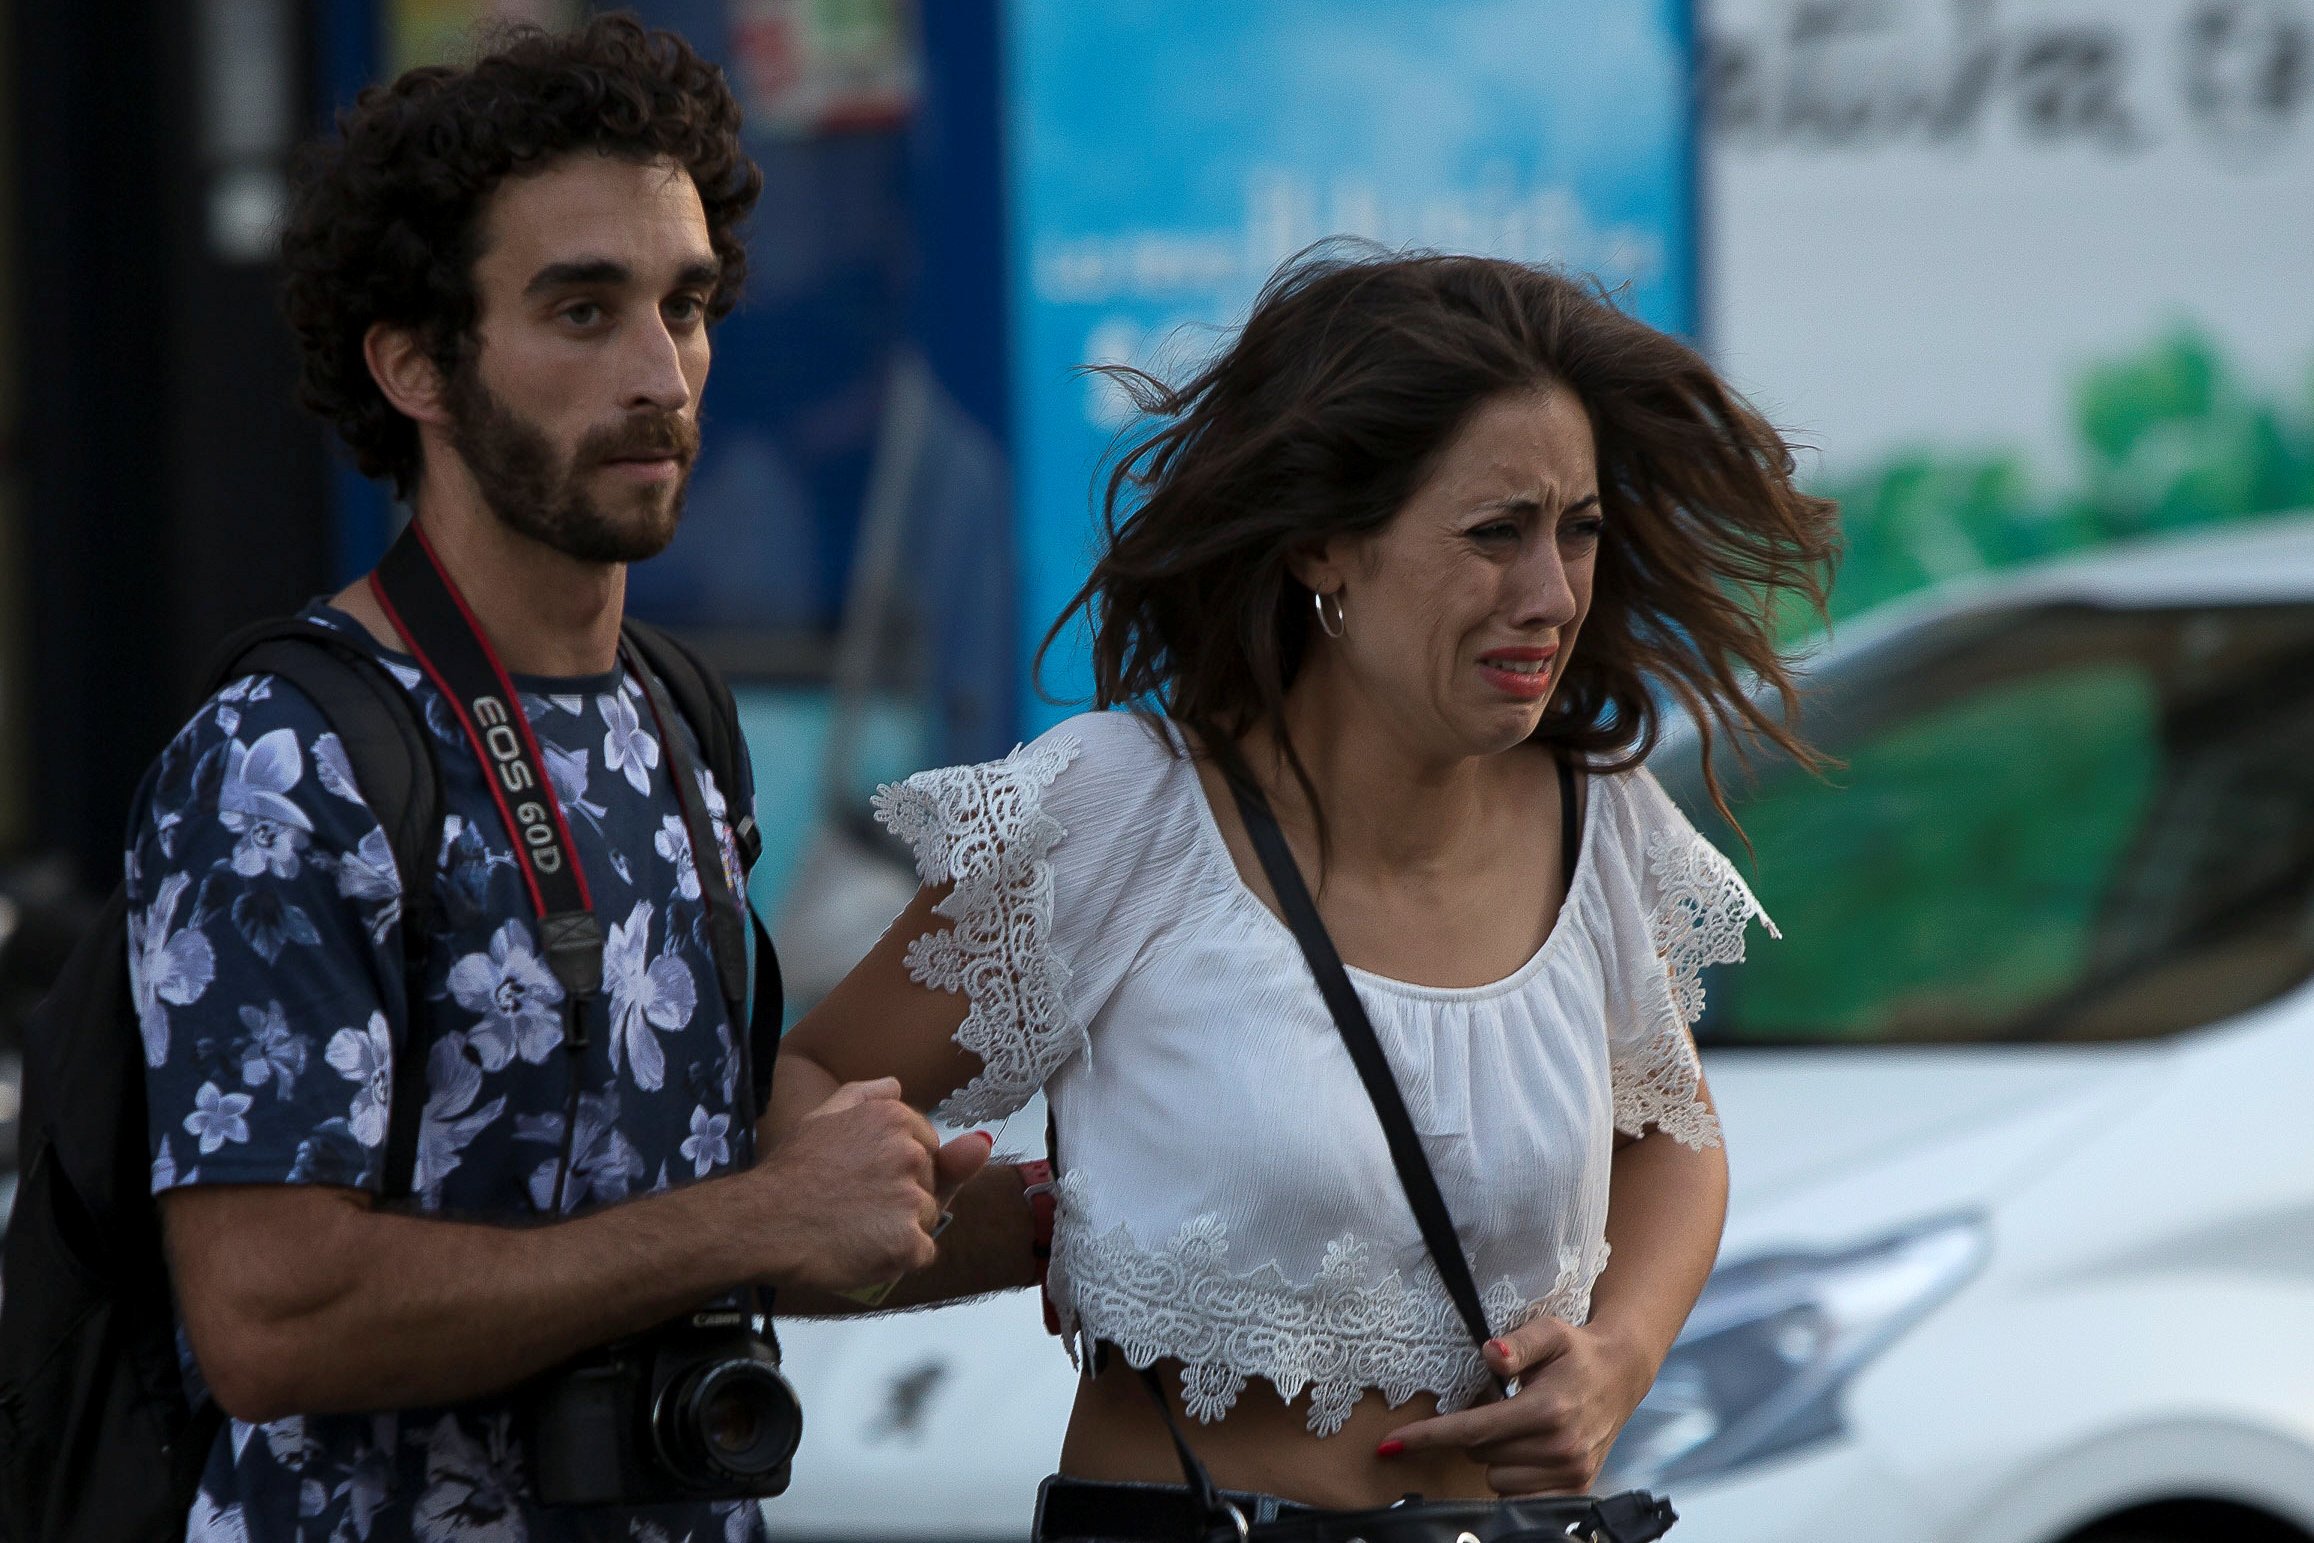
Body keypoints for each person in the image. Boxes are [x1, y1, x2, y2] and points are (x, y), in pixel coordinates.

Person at [128, 18, 1035, 1541]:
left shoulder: (673, 715)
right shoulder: (280, 760)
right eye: (580, 309)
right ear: (413, 361)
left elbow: (694, 1212)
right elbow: (270, 1317)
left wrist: (1097, 1225)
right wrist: (750, 1215)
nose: (659, 372)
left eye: (685, 306)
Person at [773, 248, 1840, 1531]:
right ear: (1325, 546)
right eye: (1495, 532)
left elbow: (1671, 1130)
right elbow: (809, 1095)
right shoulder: (1124, 811)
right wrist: (967, 1229)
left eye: (1579, 531)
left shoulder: (1595, 815)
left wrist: (1619, 1357)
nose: (1551, 594)